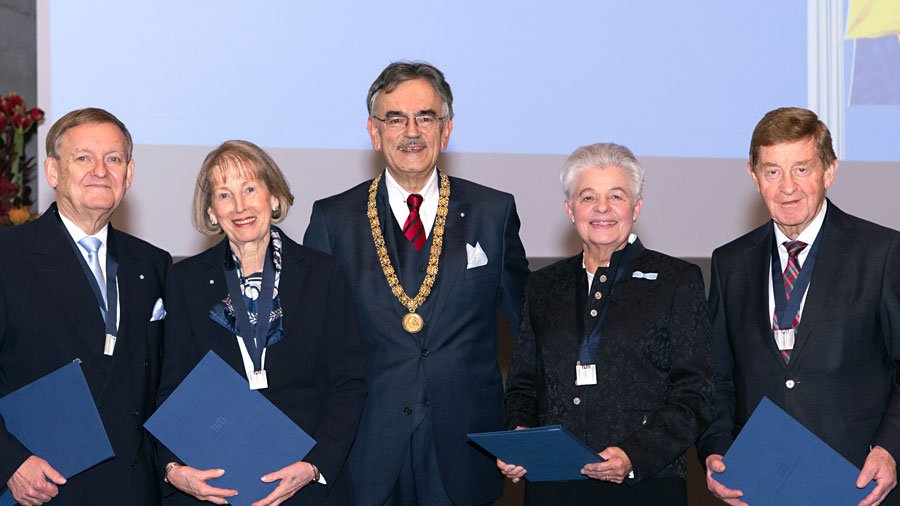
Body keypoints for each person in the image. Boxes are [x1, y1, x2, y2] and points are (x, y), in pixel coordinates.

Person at [303, 61, 528, 506]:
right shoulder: (333, 220)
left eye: (426, 117)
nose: (412, 131)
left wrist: (526, 421)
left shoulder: (492, 211)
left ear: (446, 130)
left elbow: (529, 332)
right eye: (395, 118)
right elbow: (313, 345)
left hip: (467, 446)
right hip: (365, 445)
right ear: (374, 131)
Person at [698, 107, 900, 506]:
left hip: (858, 482)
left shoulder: (882, 253)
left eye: (802, 169)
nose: (787, 186)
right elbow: (716, 378)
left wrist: (890, 448)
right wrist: (715, 449)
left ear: (830, 171)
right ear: (753, 176)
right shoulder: (730, 262)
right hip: (760, 484)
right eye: (772, 171)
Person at [499, 142, 714, 504]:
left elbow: (694, 394)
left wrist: (633, 455)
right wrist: (520, 434)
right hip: (554, 484)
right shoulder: (542, 285)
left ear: (636, 207)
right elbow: (523, 385)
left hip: (645, 483)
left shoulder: (677, 280)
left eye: (616, 196)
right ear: (570, 210)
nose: (602, 208)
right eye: (587, 197)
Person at [156, 140, 366, 506]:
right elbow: (169, 388)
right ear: (210, 211)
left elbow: (349, 382)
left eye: (250, 189)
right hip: (215, 487)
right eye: (224, 195)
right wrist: (173, 468)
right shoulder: (184, 280)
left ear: (273, 196)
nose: (240, 207)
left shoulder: (322, 273)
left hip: (305, 484)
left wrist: (314, 466)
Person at [0, 108, 172, 505]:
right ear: (53, 172)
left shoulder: (153, 264)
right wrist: (10, 462)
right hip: (42, 488)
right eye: (84, 158)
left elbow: (168, 380)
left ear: (128, 175)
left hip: (134, 490)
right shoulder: (8, 257)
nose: (101, 170)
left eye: (113, 159)